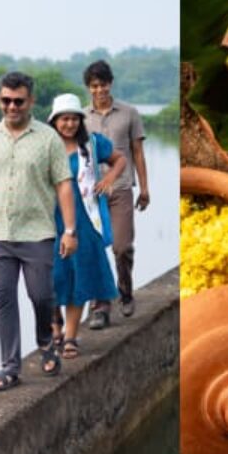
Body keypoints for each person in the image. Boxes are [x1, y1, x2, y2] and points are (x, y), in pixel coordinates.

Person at [0, 72, 77, 388]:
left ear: (31, 101)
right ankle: (10, 366)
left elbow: (64, 185)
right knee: (3, 300)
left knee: (41, 296)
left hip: (38, 232)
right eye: (6, 100)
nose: (11, 107)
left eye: (18, 101)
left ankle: (45, 341)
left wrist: (69, 229)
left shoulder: (48, 139)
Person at [47, 93, 126, 359]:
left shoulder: (91, 145)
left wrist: (109, 179)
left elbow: (120, 160)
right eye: (63, 119)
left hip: (84, 220)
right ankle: (54, 325)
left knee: (78, 277)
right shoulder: (45, 147)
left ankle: (70, 336)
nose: (68, 124)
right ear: (55, 121)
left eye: (73, 119)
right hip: (49, 220)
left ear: (80, 121)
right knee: (53, 279)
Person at [83, 60, 150, 327]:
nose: (99, 90)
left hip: (121, 188)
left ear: (110, 84)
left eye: (103, 84)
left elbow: (138, 153)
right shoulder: (81, 119)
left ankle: (125, 291)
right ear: (89, 88)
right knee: (94, 249)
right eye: (94, 86)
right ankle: (100, 306)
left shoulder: (129, 113)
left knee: (121, 247)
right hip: (90, 193)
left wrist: (144, 188)